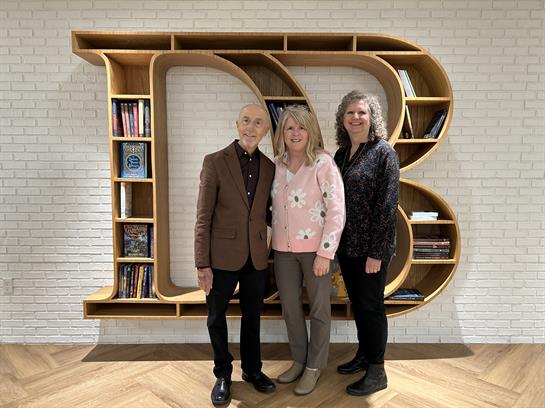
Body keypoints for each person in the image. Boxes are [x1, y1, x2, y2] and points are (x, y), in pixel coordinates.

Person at [194, 103, 276, 405]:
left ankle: (252, 370)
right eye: (246, 121)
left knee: (252, 317)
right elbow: (203, 217)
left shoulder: (270, 167)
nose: (251, 128)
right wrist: (202, 263)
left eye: (258, 123)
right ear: (237, 124)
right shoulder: (215, 162)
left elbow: (267, 212)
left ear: (265, 131)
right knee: (216, 317)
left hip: (256, 257)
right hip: (220, 258)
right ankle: (223, 375)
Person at [271, 105, 345, 395]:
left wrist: (325, 253)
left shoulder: (323, 163)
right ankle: (299, 360)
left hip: (316, 251)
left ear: (310, 131)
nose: (295, 133)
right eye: (289, 127)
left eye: (301, 127)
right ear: (282, 133)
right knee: (290, 309)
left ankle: (314, 367)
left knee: (319, 310)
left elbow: (336, 210)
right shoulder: (277, 164)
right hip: (282, 251)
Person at [333, 91, 400, 396]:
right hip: (347, 247)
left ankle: (377, 369)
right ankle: (364, 353)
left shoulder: (383, 152)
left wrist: (376, 253)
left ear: (372, 118)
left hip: (371, 250)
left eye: (362, 112)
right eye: (350, 113)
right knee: (359, 305)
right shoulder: (341, 154)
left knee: (372, 307)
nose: (356, 118)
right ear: (342, 119)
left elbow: (387, 206)